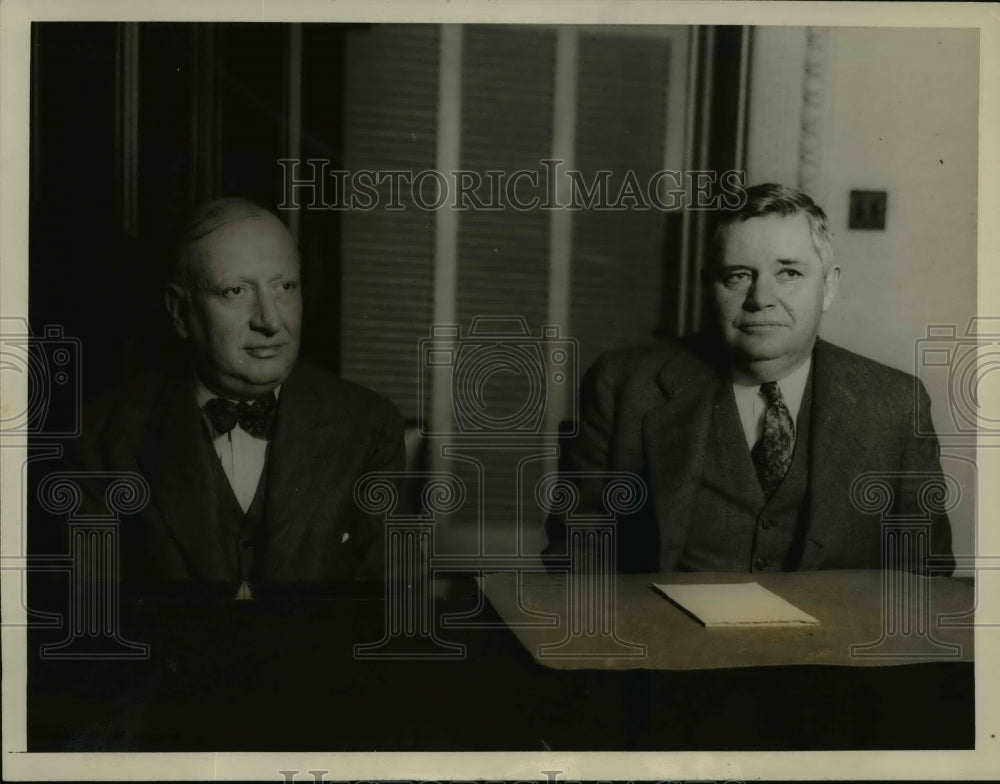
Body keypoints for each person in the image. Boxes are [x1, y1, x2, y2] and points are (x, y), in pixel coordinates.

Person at [546, 183, 954, 575]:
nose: (761, 299)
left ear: (829, 287)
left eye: (789, 273)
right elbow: (576, 559)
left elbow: (923, 578)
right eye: (738, 276)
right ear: (710, 287)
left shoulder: (895, 404)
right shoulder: (623, 385)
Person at [66, 198, 405, 599]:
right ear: (180, 312)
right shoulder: (101, 436)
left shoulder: (368, 426)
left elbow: (385, 612)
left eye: (284, 287)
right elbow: (94, 618)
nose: (270, 320)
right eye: (236, 291)